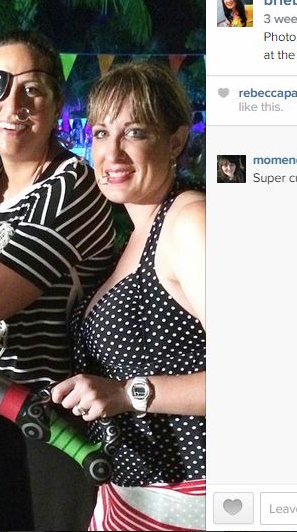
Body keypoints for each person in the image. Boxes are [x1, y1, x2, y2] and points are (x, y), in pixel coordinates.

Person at [0, 29, 115, 530]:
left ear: (56, 104)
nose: (12, 104)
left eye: (32, 89)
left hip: (55, 426)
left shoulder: (72, 186)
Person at [50, 62, 206, 531]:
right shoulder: (137, 233)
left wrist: (126, 393)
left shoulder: (188, 222)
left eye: (134, 132)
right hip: (134, 498)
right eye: (101, 132)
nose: (111, 152)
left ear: (175, 141)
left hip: (191, 499)